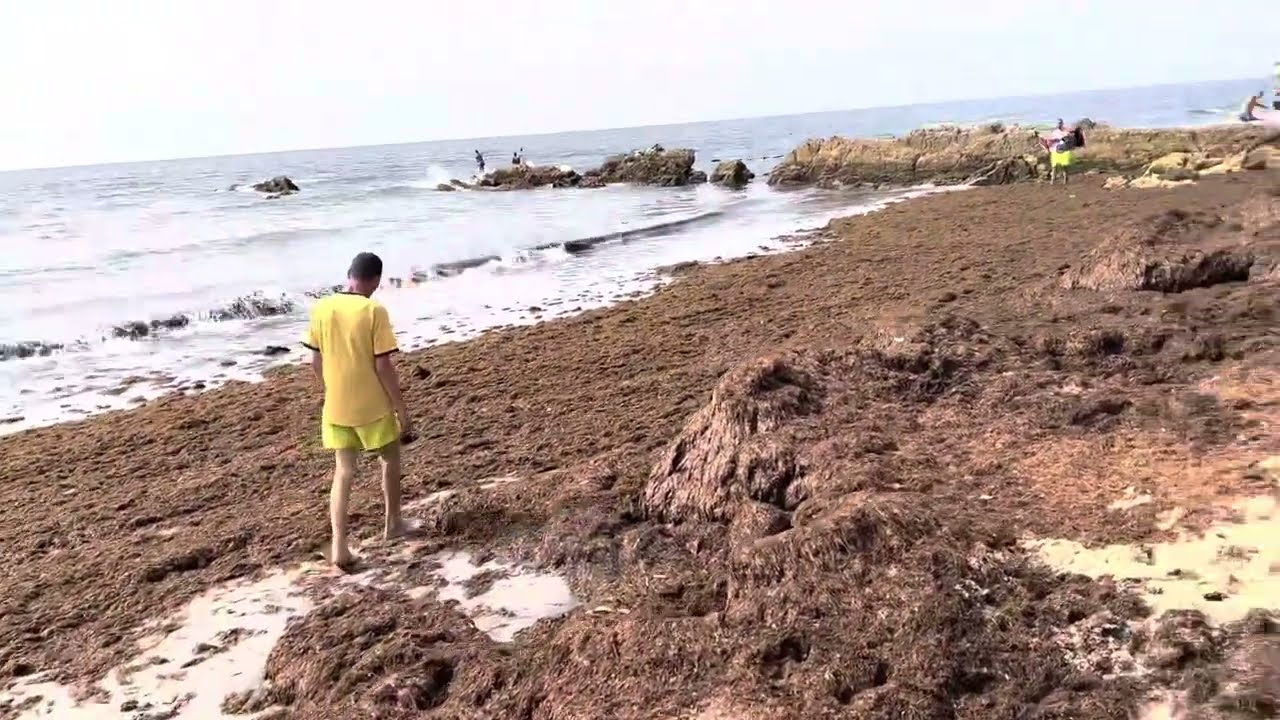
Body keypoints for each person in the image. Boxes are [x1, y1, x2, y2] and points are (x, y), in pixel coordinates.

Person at [302, 252, 414, 571]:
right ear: (376, 280)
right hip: (372, 405)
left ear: (348, 274)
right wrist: (401, 410)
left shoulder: (322, 307)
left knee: (344, 472)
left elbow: (315, 360)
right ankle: (393, 525)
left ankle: (339, 548)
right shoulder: (373, 310)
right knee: (390, 458)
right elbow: (383, 366)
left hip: (336, 404)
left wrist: (331, 389)